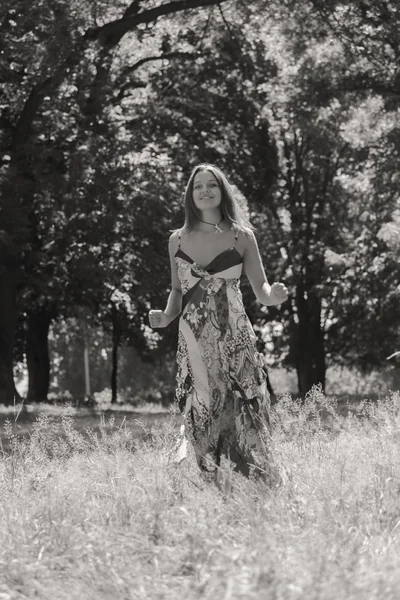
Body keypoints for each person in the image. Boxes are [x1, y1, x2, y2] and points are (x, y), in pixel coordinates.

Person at [149, 164, 288, 483]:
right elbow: (176, 289)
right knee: (201, 402)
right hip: (194, 335)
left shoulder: (242, 236)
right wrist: (166, 316)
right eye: (198, 186)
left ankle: (252, 475)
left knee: (241, 399)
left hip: (234, 334)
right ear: (190, 194)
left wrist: (274, 296)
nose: (204, 190)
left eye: (211, 184)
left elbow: (262, 291)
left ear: (222, 191)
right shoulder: (177, 240)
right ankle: (207, 476)